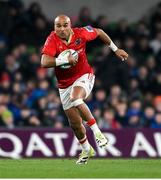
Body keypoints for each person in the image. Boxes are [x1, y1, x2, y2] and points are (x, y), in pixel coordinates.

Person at [41, 15, 128, 164]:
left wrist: (115, 49)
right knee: (74, 123)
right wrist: (64, 60)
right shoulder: (52, 39)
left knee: (76, 98)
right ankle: (87, 150)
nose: (61, 29)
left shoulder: (81, 33)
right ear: (54, 27)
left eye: (65, 25)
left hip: (84, 75)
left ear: (70, 25)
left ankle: (98, 133)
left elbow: (99, 32)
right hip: (64, 85)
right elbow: (44, 62)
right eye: (58, 26)